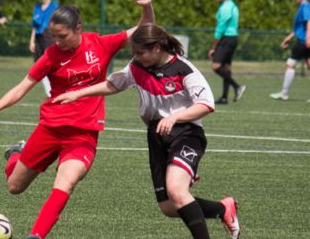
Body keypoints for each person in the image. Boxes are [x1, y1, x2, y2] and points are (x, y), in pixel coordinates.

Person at [0, 0, 154, 238]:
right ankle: (16, 154)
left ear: (78, 29)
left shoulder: (100, 44)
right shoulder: (50, 56)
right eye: (53, 36)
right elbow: (22, 86)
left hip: (83, 133)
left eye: (62, 36)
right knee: (14, 187)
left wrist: (147, 6)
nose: (56, 42)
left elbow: (145, 29)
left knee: (66, 182)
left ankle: (36, 236)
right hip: (50, 128)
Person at [53, 24, 241, 239]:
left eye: (141, 52)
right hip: (157, 135)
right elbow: (114, 85)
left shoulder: (184, 69)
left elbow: (206, 104)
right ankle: (223, 209)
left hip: (186, 134)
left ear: (158, 48)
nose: (137, 57)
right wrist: (78, 94)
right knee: (169, 207)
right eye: (134, 53)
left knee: (177, 191)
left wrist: (174, 117)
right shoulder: (137, 66)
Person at [270, 0, 310, 101]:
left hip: (303, 41)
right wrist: (289, 37)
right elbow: (300, 27)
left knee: (290, 64)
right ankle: (284, 93)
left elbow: (309, 21)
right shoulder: (303, 6)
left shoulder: (306, 6)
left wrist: (308, 37)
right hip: (303, 39)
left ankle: (284, 93)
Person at [208, 0, 245, 104]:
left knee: (216, 66)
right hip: (233, 38)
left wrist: (214, 46)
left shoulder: (225, 8)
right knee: (226, 68)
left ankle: (237, 87)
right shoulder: (232, 5)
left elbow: (220, 28)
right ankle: (224, 97)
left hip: (227, 39)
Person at [30, 0, 59, 97]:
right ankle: (49, 93)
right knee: (39, 66)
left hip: (49, 38)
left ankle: (56, 90)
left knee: (51, 66)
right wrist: (32, 41)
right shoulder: (37, 7)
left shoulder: (54, 7)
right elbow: (35, 26)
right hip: (38, 38)